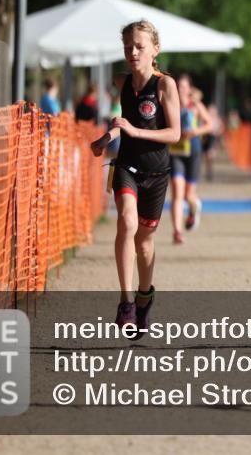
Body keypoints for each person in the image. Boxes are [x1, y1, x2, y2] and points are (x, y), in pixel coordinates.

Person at [90, 20, 181, 338]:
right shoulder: (122, 82)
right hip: (127, 166)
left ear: (155, 49)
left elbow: (175, 133)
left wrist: (133, 130)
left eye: (140, 46)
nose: (133, 52)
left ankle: (144, 295)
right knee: (126, 224)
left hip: (156, 174)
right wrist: (108, 137)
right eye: (128, 46)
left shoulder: (165, 85)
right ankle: (126, 300)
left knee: (144, 241)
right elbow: (123, 121)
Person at [168, 76, 211, 244]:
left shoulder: (196, 106)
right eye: (178, 86)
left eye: (184, 86)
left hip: (193, 151)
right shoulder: (171, 104)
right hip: (176, 151)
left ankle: (195, 207)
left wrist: (195, 132)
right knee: (177, 193)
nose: (180, 89)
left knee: (188, 195)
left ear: (189, 88)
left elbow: (209, 124)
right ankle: (177, 231)